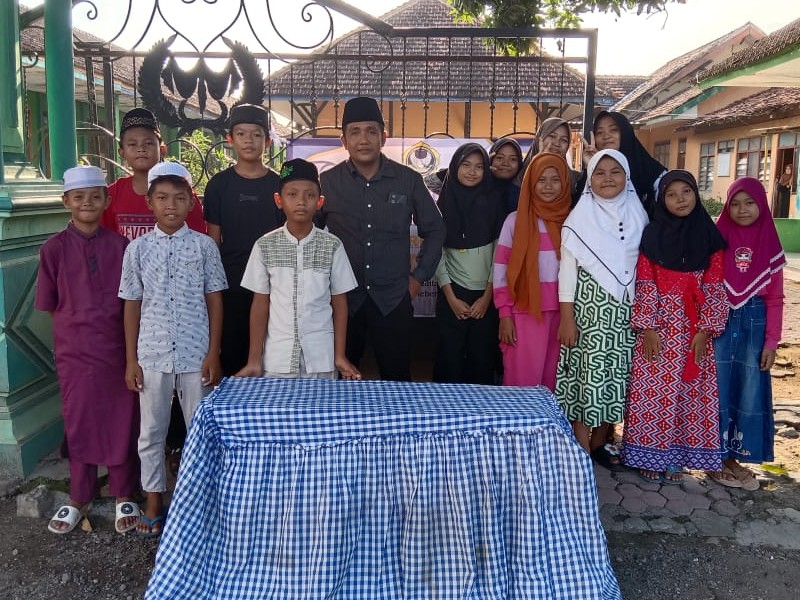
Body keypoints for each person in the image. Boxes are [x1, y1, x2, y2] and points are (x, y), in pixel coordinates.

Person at [118, 162, 227, 537]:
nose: (171, 205)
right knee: (152, 431)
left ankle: (201, 499)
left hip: (196, 353)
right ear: (149, 203)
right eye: (162, 198)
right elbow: (132, 304)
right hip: (152, 354)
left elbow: (215, 300)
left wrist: (213, 353)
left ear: (191, 203)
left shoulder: (204, 246)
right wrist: (131, 360)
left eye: (180, 198)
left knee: (201, 429)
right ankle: (154, 499)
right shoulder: (137, 250)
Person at [36, 166, 140, 535]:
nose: (87, 203)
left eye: (95, 196)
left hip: (117, 347)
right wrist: (77, 331)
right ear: (66, 201)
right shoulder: (52, 249)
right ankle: (80, 494)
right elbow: (51, 305)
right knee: (79, 419)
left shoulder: (122, 247)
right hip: (75, 352)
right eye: (79, 197)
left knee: (122, 417)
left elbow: (132, 302)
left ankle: (124, 491)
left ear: (107, 201)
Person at [317, 96, 446, 381]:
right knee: (340, 380)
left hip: (393, 299)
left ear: (383, 137)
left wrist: (417, 279)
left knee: (397, 380)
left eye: (371, 131)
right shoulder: (327, 183)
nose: (363, 140)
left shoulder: (408, 180)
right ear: (344, 141)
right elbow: (306, 234)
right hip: (343, 300)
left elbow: (435, 229)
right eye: (355, 132)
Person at [622, 170, 728, 484]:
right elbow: (645, 283)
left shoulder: (709, 237)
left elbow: (714, 286)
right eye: (671, 194)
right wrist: (647, 328)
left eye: (686, 192)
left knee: (688, 395)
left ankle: (676, 459)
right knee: (654, 393)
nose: (680, 199)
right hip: (658, 329)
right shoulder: (652, 236)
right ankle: (649, 456)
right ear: (662, 200)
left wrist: (705, 330)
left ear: (696, 194)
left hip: (694, 330)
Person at [555, 150, 648, 468]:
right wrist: (567, 318)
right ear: (590, 180)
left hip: (626, 311)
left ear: (627, 177)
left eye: (615, 171)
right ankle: (581, 448)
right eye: (599, 172)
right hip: (590, 313)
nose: (608, 178)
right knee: (588, 377)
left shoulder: (639, 217)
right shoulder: (578, 220)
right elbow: (567, 273)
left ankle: (599, 443)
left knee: (617, 377)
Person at [236, 159, 361, 380]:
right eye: (292, 194)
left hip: (321, 358)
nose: (301, 201)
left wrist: (339, 356)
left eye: (309, 195)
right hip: (278, 359)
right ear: (279, 200)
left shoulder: (332, 246)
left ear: (320, 202)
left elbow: (340, 303)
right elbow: (260, 303)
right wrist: (254, 360)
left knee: (321, 404)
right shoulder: (265, 245)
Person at [711, 177, 786, 490]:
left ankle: (735, 456)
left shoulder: (770, 243)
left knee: (748, 387)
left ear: (762, 205)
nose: (742, 209)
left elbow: (776, 298)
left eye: (750, 202)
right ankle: (714, 458)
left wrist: (771, 341)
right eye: (735, 203)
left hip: (754, 324)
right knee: (716, 387)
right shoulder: (717, 238)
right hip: (719, 322)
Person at [204, 104, 285, 376]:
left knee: (271, 357)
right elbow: (213, 241)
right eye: (241, 134)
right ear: (230, 139)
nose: (249, 140)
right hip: (232, 285)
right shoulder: (219, 185)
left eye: (256, 134)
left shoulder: (279, 186)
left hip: (273, 285)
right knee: (233, 356)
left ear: (268, 141)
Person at [493, 152, 572, 389]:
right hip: (524, 311)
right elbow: (501, 271)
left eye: (555, 179)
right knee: (523, 380)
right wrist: (505, 314)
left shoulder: (572, 221)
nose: (548, 186)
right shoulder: (515, 221)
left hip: (564, 313)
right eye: (541, 179)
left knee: (554, 382)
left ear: (565, 183)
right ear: (530, 183)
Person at [433, 143, 505, 384]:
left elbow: (499, 254)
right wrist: (451, 298)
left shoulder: (494, 202)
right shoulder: (443, 204)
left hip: (486, 295)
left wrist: (487, 297)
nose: (472, 172)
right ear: (454, 167)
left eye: (479, 166)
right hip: (452, 293)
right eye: (465, 165)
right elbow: (436, 253)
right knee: (448, 359)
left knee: (480, 359)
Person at [102, 107, 206, 239]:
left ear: (162, 149)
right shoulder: (112, 195)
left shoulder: (182, 195)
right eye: (132, 144)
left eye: (149, 143)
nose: (141, 149)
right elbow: (105, 241)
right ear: (122, 152)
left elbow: (197, 238)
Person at [580, 111, 666, 215]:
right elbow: (579, 207)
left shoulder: (653, 172)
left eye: (614, 130)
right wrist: (591, 166)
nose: (606, 136)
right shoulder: (593, 172)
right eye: (599, 132)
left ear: (625, 132)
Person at [516, 117, 581, 206]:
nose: (557, 143)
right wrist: (536, 164)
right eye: (552, 136)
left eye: (564, 140)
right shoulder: (518, 176)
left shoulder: (576, 180)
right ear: (539, 138)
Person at [488, 137, 524, 214]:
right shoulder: (478, 187)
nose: (505, 163)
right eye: (499, 158)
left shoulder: (524, 193)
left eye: (513, 159)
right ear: (491, 160)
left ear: (520, 163)